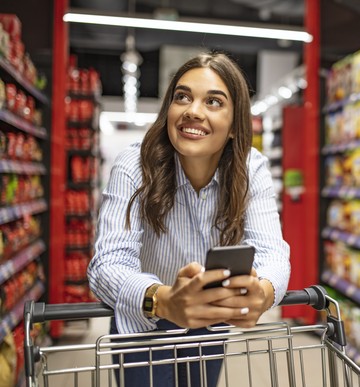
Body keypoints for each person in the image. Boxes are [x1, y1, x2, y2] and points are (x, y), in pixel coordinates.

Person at [87, 51, 291, 386]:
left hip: (209, 322)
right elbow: (107, 263)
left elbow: (272, 253)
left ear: (234, 126)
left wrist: (263, 291)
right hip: (144, 321)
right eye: (182, 97)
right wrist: (165, 300)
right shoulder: (134, 165)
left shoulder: (250, 169)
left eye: (213, 102)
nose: (193, 111)